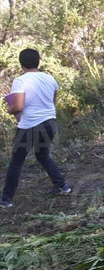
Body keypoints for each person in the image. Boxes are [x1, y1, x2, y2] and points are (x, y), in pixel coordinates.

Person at [0, 49, 70, 208]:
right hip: (50, 124)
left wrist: (9, 109)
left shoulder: (20, 80)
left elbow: (17, 106)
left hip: (30, 127)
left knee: (16, 161)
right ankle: (61, 186)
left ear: (21, 64)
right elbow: (51, 102)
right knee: (43, 154)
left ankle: (6, 199)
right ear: (38, 61)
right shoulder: (50, 79)